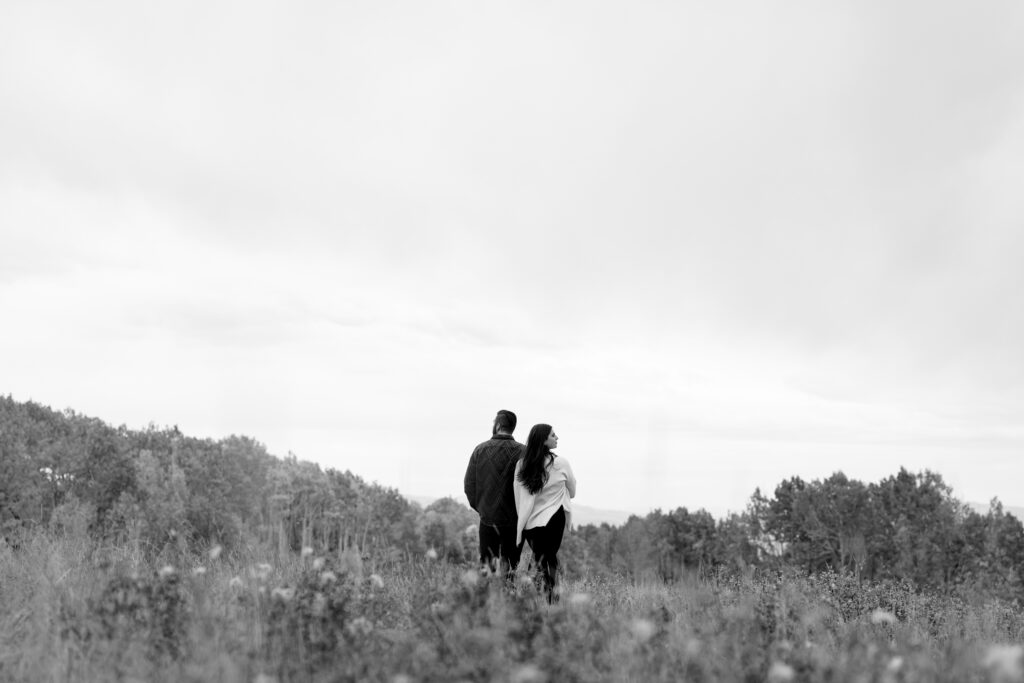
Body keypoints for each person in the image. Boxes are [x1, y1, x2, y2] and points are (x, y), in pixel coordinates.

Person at [514, 424, 575, 604]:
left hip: (531, 523)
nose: (557, 438)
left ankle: (538, 597)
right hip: (554, 519)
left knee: (542, 558)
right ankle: (551, 601)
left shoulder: (521, 465)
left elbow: (519, 496)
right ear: (544, 440)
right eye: (553, 435)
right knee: (549, 559)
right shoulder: (561, 463)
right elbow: (572, 492)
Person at [464, 409, 525, 576]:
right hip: (515, 521)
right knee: (510, 571)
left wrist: (483, 509)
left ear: (498, 425)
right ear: (512, 427)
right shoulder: (524, 452)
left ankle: (487, 601)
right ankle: (508, 600)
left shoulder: (480, 450)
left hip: (488, 520)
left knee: (487, 570)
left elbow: (469, 486)